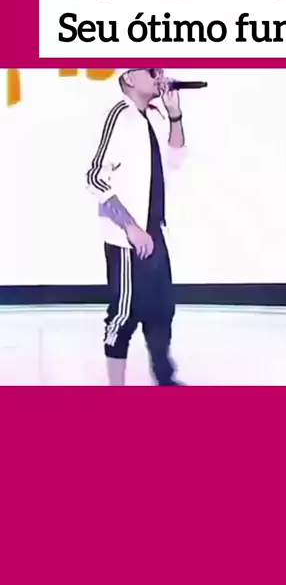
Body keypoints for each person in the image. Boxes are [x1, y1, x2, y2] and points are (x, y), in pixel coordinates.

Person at [86, 68, 187, 386]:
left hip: (156, 232)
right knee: (124, 314)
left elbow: (176, 158)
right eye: (151, 70)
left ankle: (164, 379)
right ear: (129, 78)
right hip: (128, 238)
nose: (160, 76)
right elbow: (95, 177)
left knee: (162, 310)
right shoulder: (119, 115)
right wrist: (131, 227)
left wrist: (174, 115)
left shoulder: (155, 116)